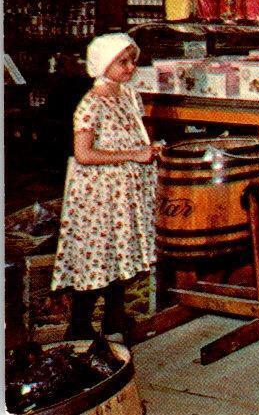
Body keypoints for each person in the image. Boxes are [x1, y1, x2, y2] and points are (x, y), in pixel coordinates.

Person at [51, 33, 162, 342]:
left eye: (132, 61)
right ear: (103, 64)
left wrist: (149, 150)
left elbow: (133, 134)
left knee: (120, 251)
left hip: (124, 190)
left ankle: (114, 315)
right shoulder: (90, 105)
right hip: (97, 193)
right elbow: (84, 154)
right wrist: (134, 155)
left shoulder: (129, 96)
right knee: (96, 255)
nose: (130, 68)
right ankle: (80, 324)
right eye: (122, 62)